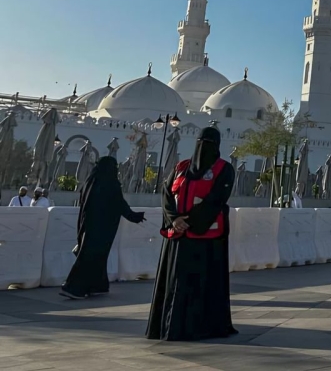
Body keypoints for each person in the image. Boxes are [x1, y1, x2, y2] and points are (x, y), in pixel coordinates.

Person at [146, 126, 237, 341]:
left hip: (206, 240)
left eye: (209, 143)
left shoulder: (224, 169)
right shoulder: (182, 167)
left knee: (200, 284)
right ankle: (169, 325)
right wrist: (174, 219)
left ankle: (200, 327)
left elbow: (216, 199)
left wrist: (190, 222)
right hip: (179, 237)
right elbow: (167, 193)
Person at [60, 157, 145, 300]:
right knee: (91, 256)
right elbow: (119, 203)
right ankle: (74, 288)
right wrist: (133, 216)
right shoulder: (110, 183)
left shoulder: (90, 181)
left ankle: (98, 285)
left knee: (94, 255)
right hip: (103, 227)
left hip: (88, 224)